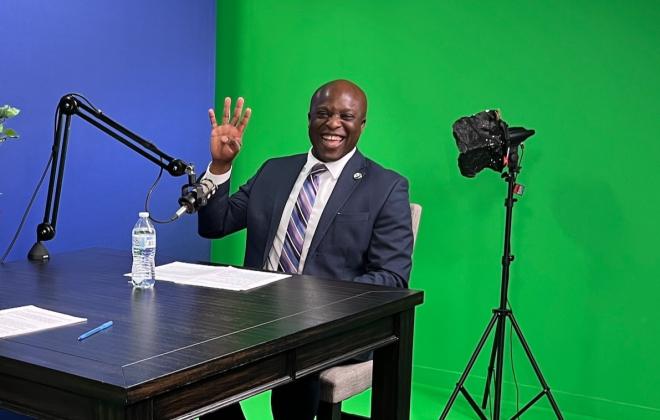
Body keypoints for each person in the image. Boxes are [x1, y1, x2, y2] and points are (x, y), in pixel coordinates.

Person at [198, 79, 413, 420]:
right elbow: (215, 224)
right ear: (310, 117)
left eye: (346, 116)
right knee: (188, 351)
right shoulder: (274, 170)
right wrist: (220, 167)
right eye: (324, 114)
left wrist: (312, 302)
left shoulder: (385, 187)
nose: (333, 123)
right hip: (253, 313)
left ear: (362, 124)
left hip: (327, 324)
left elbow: (392, 278)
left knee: (299, 361)